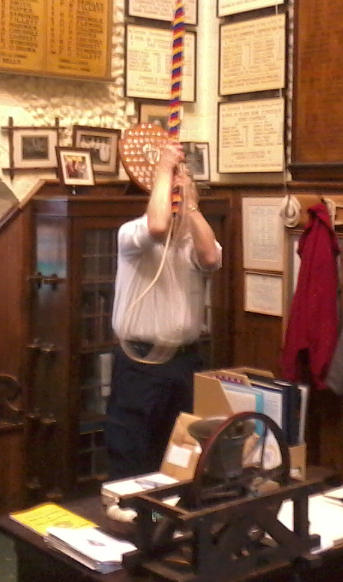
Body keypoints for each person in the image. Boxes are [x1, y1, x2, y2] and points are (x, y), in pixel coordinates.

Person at [104, 142, 222, 481]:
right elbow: (157, 228)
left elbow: (211, 259)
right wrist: (163, 169)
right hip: (141, 363)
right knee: (132, 451)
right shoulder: (133, 233)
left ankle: (170, 522)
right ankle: (128, 520)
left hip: (184, 362)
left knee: (180, 454)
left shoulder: (194, 239)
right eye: (169, 191)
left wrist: (193, 207)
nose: (176, 195)